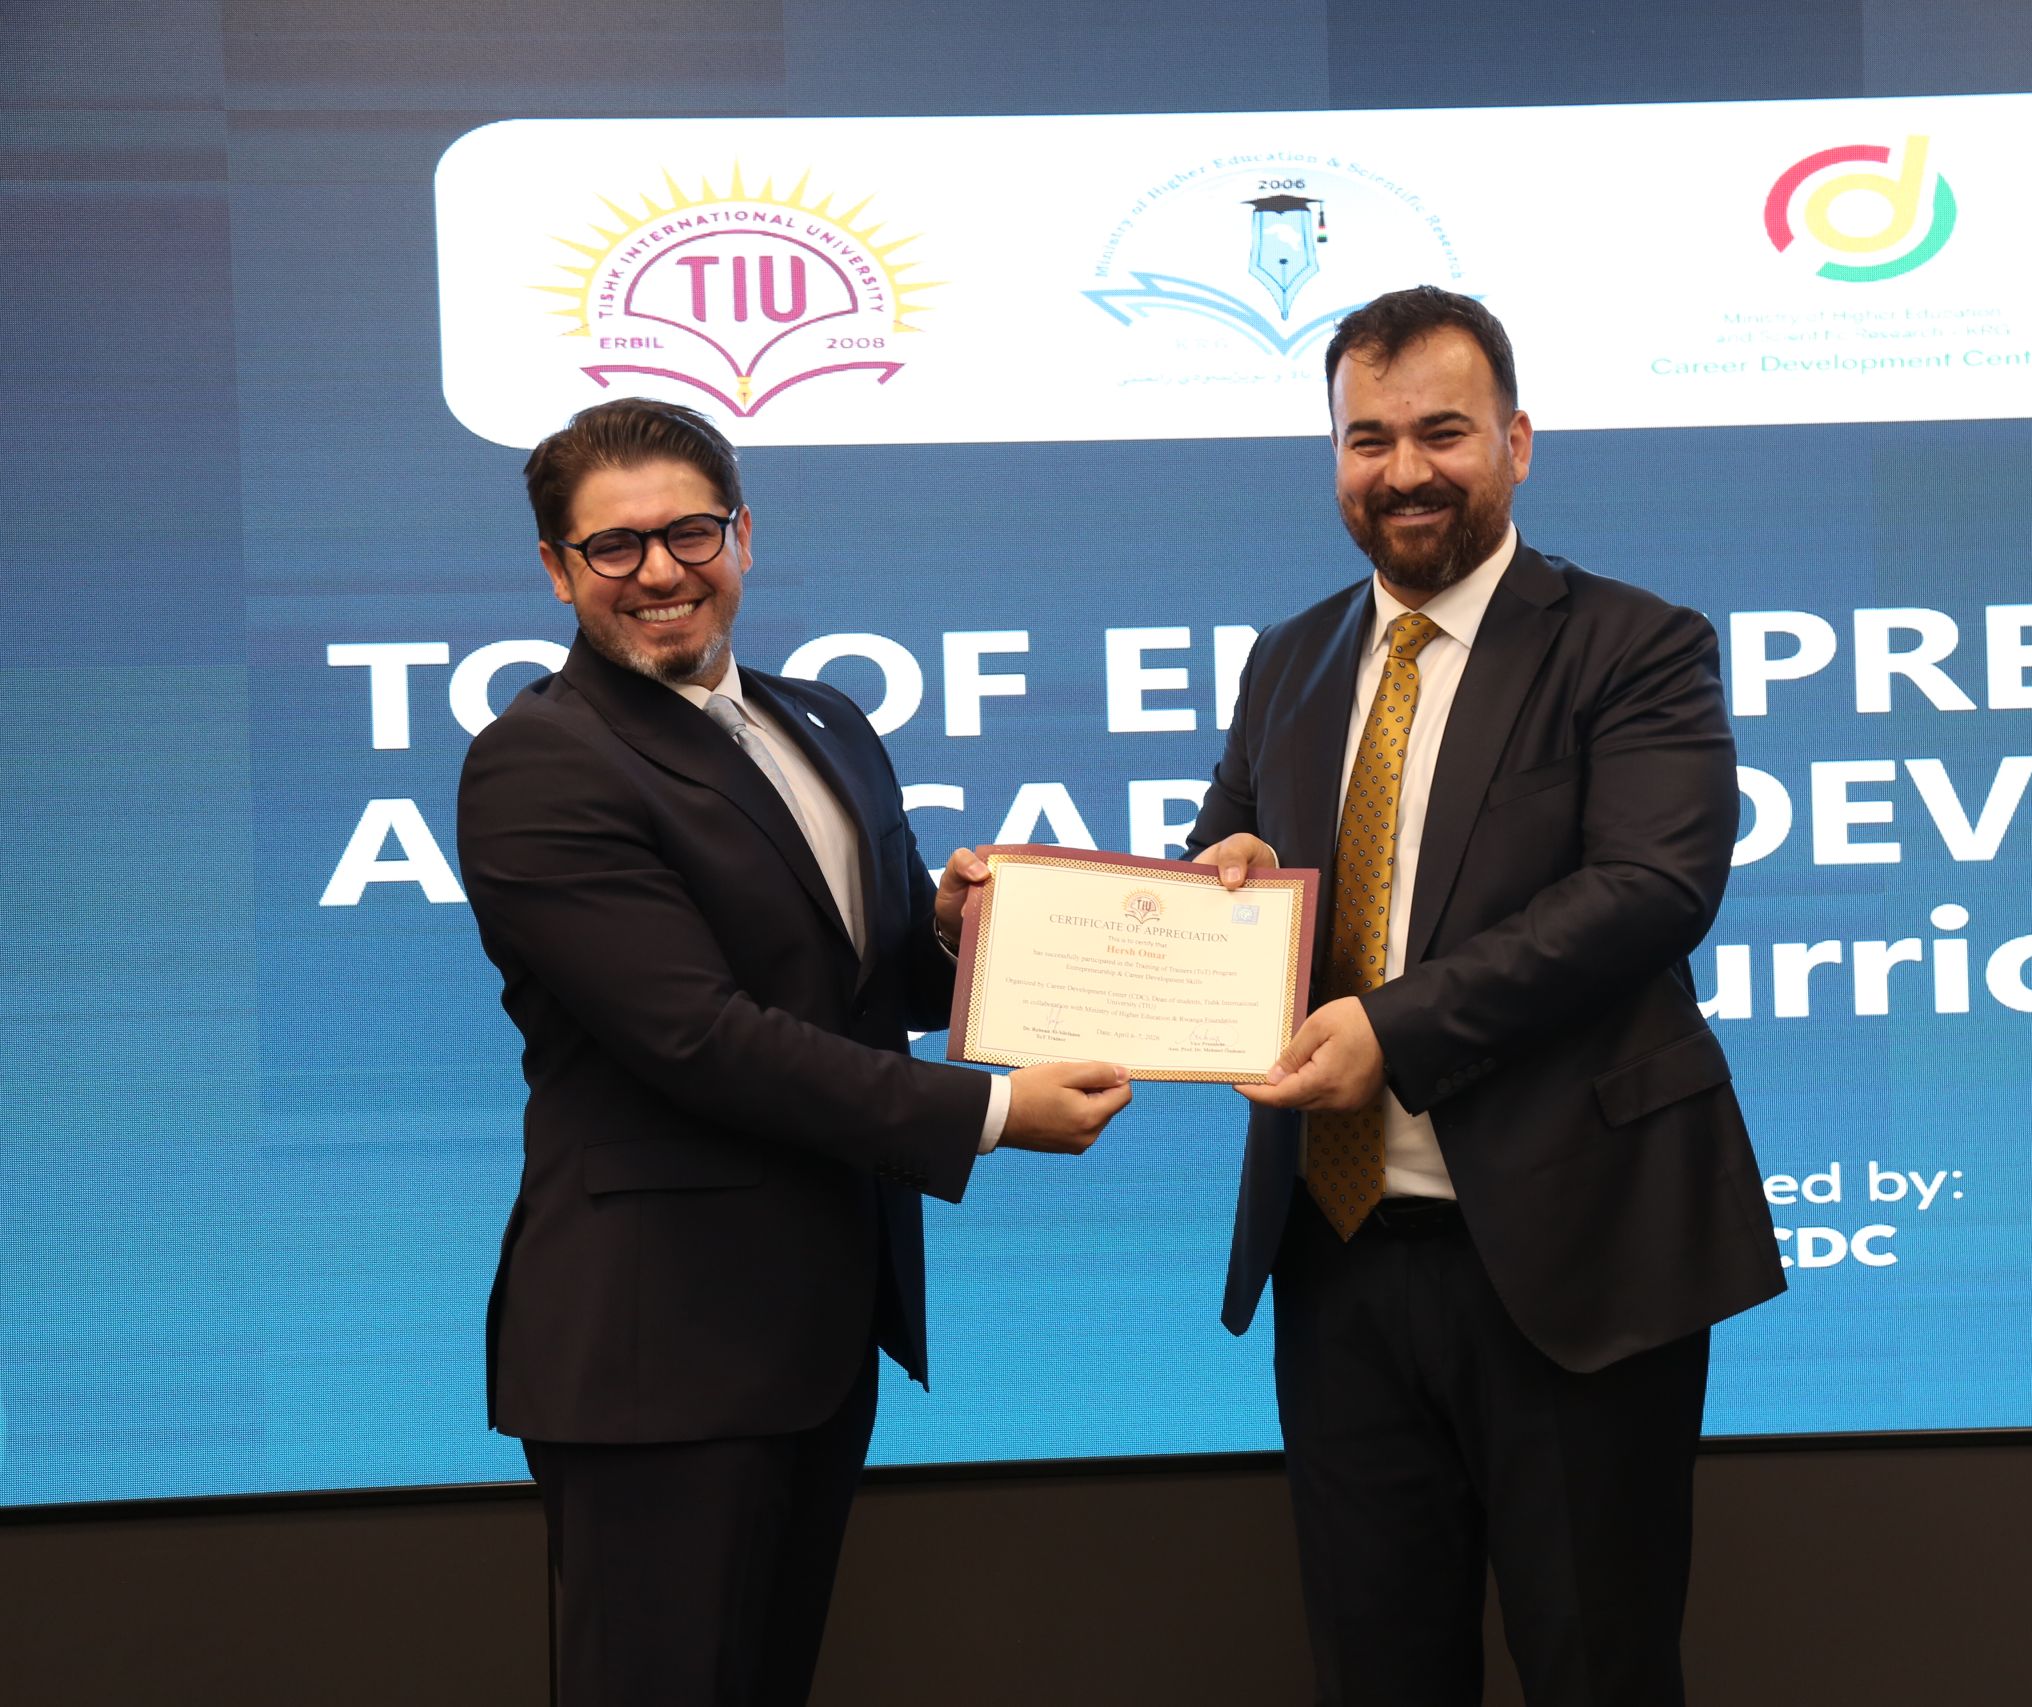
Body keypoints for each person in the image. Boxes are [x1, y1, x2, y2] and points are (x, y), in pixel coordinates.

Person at [455, 397, 1130, 1707]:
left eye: (690, 532)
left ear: (744, 536)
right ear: (557, 570)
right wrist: (992, 1114)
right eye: (614, 545)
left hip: (813, 1333)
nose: (661, 569)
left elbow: (866, 981)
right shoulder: (540, 762)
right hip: (658, 1353)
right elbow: (700, 1038)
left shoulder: (823, 721)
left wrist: (956, 932)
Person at [1190, 287, 1785, 1705]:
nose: (1405, 471)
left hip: (1572, 1255)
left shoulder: (1636, 643)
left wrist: (1390, 1032)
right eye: (1369, 439)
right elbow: (1231, 856)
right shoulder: (1287, 660)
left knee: (1597, 1667)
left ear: (1517, 443)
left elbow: (1649, 888)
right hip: (1339, 1260)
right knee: (1377, 1670)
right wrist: (1217, 885)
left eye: (1443, 433)